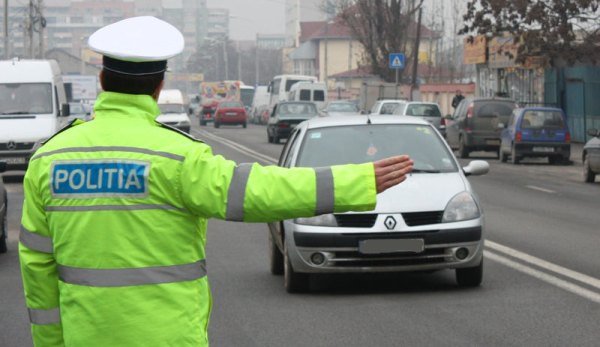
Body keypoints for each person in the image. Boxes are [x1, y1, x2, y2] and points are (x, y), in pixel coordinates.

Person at [18, 16, 413, 347]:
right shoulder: (178, 157)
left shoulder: (49, 158)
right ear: (158, 87)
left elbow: (37, 265)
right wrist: (354, 182)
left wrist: (52, 342)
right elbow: (260, 191)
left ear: (102, 80)